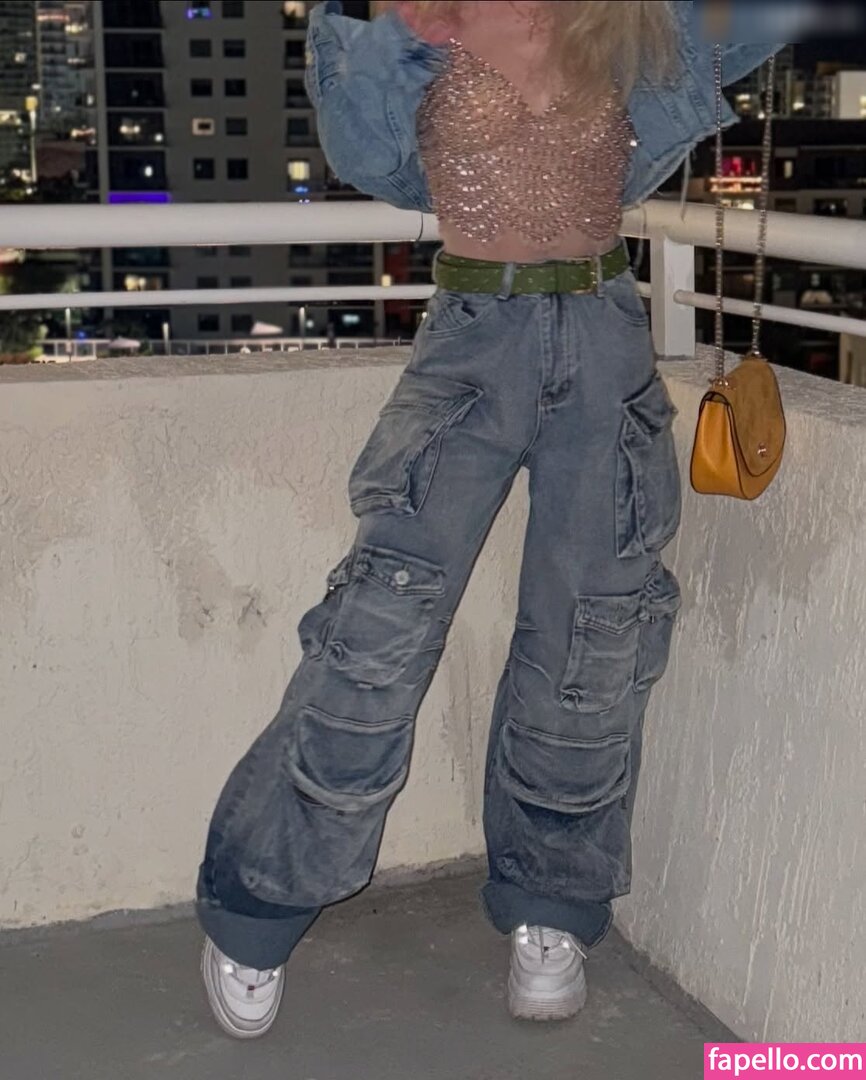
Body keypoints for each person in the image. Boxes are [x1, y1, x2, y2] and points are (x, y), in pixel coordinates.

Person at [196, 0, 779, 1038]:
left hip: (603, 332)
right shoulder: (409, 18)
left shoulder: (630, 19)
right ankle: (259, 900)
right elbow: (360, 151)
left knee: (593, 632)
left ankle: (550, 905)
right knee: (380, 626)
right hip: (473, 337)